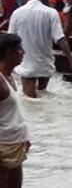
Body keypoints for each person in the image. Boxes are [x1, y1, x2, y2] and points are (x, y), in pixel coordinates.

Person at [8, 0, 72, 98]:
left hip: (26, 62)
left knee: (29, 98)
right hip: (44, 62)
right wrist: (71, 62)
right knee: (42, 94)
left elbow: (10, 39)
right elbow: (60, 39)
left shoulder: (17, 13)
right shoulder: (51, 13)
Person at [0, 33, 27, 188]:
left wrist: (25, 137)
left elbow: (14, 113)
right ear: (9, 53)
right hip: (3, 145)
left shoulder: (10, 77)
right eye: (20, 49)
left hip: (15, 142)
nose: (23, 52)